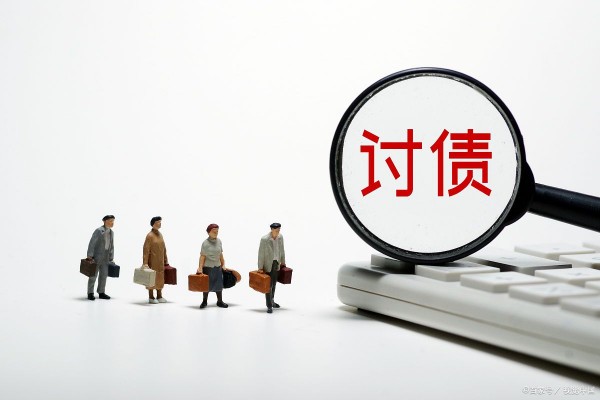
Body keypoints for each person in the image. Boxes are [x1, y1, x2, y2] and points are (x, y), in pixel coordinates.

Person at [197, 223, 229, 309]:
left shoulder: (219, 241)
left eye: (217, 231)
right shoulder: (205, 243)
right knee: (206, 286)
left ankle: (219, 301)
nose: (216, 233)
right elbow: (202, 256)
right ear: (209, 232)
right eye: (214, 231)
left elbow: (220, 255)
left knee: (219, 286)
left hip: (217, 267)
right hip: (208, 268)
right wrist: (200, 267)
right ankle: (204, 301)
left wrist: (223, 264)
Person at [257, 222, 286, 313]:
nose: (278, 231)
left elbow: (282, 250)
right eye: (276, 230)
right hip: (268, 264)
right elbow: (261, 254)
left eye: (279, 230)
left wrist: (283, 262)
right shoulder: (265, 239)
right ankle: (269, 305)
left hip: (276, 264)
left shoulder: (280, 237)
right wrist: (260, 267)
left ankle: (272, 301)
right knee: (268, 285)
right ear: (272, 229)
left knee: (274, 284)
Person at [86, 215, 115, 300]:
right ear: (105, 221)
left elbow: (111, 246)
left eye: (113, 221)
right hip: (96, 256)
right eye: (110, 221)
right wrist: (90, 255)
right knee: (93, 275)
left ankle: (101, 292)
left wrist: (111, 257)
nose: (112, 223)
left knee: (104, 275)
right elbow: (92, 242)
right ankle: (90, 292)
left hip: (106, 257)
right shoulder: (99, 231)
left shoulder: (111, 232)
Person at [143, 216, 169, 304]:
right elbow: (146, 250)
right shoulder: (149, 236)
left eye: (160, 222)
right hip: (152, 262)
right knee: (151, 279)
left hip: (160, 262)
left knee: (160, 279)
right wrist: (145, 263)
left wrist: (165, 259)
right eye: (157, 222)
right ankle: (151, 296)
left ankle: (159, 295)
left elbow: (164, 248)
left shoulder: (160, 235)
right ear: (153, 224)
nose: (159, 224)